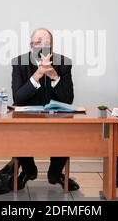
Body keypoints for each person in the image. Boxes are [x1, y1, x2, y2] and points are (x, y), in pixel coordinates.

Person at [11, 28, 79, 191]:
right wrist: (38, 75)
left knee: (65, 132)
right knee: (15, 131)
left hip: (55, 118)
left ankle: (55, 173)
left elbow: (68, 99)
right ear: (31, 45)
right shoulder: (19, 62)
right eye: (39, 42)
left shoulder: (64, 62)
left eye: (47, 43)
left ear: (53, 47)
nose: (43, 46)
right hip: (28, 118)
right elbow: (18, 98)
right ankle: (29, 171)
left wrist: (54, 76)